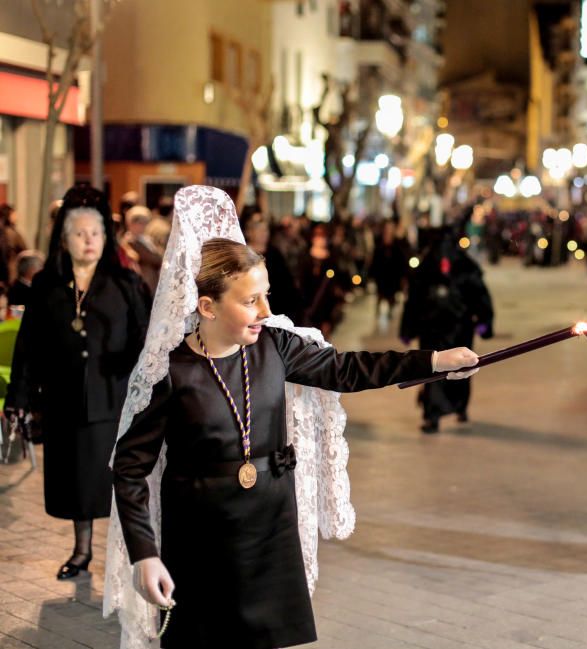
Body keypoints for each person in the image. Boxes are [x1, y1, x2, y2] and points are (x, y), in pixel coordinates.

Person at [104, 185, 479, 649]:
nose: (265, 311)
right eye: (249, 301)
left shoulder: (275, 346)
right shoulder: (172, 370)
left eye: (265, 295)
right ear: (207, 306)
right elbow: (130, 469)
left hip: (269, 525)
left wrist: (435, 362)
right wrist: (145, 555)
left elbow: (346, 369)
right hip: (200, 538)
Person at [6, 184, 150, 580]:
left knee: (119, 481)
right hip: (64, 400)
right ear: (64, 240)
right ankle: (82, 550)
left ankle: (132, 555)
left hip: (114, 398)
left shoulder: (125, 284)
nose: (89, 241)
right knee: (77, 482)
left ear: (106, 236)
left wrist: (134, 363)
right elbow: (27, 345)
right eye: (80, 234)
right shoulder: (47, 288)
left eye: (96, 233)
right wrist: (18, 396)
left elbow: (147, 335)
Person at [400, 227, 494, 433]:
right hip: (434, 329)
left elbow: (479, 295)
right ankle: (434, 413)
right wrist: (408, 328)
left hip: (457, 328)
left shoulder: (462, 266)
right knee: (435, 369)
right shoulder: (429, 268)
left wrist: (484, 320)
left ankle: (456, 407)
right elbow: (414, 300)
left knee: (461, 368)